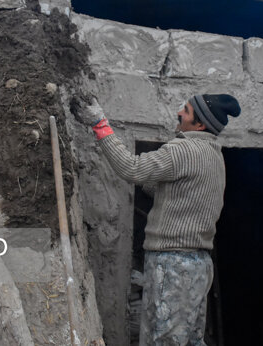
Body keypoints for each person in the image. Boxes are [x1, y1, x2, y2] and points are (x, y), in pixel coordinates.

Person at [79, 93, 241, 345]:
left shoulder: (183, 149)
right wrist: (154, 181)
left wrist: (100, 124)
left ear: (200, 125)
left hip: (173, 265)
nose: (179, 112)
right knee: (191, 340)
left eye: (186, 111)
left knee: (162, 340)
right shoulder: (213, 155)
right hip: (198, 265)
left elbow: (131, 168)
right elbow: (178, 193)